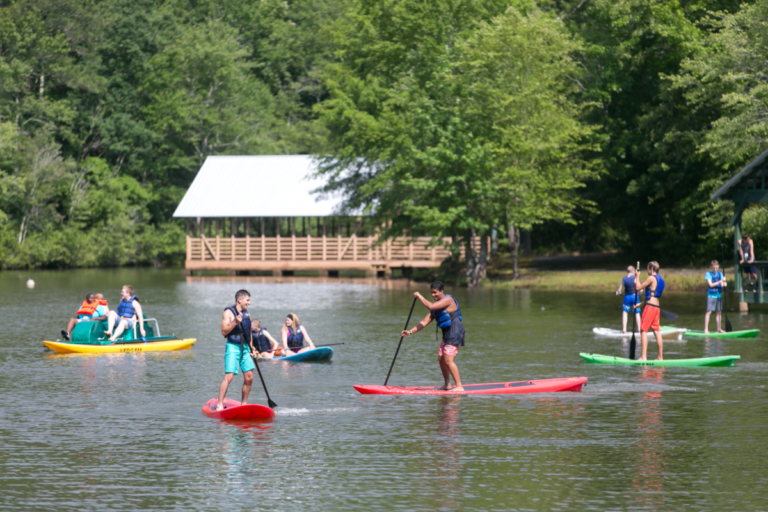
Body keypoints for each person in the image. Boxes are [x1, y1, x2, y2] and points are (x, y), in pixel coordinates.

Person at [401, 281, 465, 391]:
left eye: (435, 292)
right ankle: (447, 385)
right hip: (447, 334)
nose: (433, 295)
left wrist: (420, 296)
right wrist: (410, 332)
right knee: (441, 359)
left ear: (442, 291)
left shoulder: (448, 299)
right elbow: (424, 322)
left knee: (448, 360)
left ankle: (459, 386)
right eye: (431, 293)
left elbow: (430, 306)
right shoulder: (436, 309)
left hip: (455, 331)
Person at [217, 289, 256, 411]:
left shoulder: (247, 314)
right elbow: (224, 331)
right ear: (240, 300)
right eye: (247, 300)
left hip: (245, 347)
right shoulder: (228, 313)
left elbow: (248, 332)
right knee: (229, 377)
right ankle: (219, 404)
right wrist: (234, 322)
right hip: (233, 346)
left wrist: (252, 347)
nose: (249, 303)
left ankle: (243, 404)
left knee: (249, 377)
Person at [635, 262, 665, 361]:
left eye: (648, 269)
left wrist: (637, 276)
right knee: (657, 331)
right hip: (656, 307)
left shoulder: (651, 278)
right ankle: (660, 357)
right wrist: (640, 303)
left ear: (651, 268)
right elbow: (652, 296)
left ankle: (643, 357)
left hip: (650, 308)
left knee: (643, 330)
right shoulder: (661, 280)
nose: (647, 271)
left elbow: (638, 288)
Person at [615, 265, 641, 333]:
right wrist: (639, 294)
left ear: (627, 271)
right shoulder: (635, 278)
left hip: (627, 297)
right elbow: (641, 289)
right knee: (637, 313)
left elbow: (619, 290)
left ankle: (624, 329)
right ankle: (639, 329)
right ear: (633, 271)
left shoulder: (624, 278)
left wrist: (617, 293)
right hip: (635, 297)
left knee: (625, 312)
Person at [704, 260, 727, 334]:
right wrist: (720, 281)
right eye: (713, 268)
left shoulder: (720, 274)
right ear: (711, 267)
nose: (715, 269)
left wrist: (724, 283)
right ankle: (706, 330)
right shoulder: (708, 274)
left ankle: (719, 329)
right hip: (711, 295)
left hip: (718, 295)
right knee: (709, 312)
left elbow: (722, 284)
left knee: (719, 312)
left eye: (716, 268)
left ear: (718, 267)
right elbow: (710, 285)